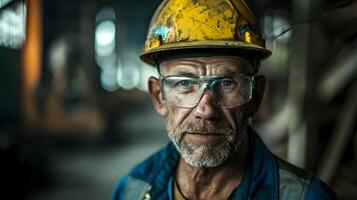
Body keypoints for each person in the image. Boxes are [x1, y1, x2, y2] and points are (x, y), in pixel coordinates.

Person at [112, 0, 336, 199]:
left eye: (227, 83)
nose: (206, 110)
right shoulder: (133, 189)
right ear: (158, 97)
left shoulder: (304, 197)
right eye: (184, 83)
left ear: (255, 96)